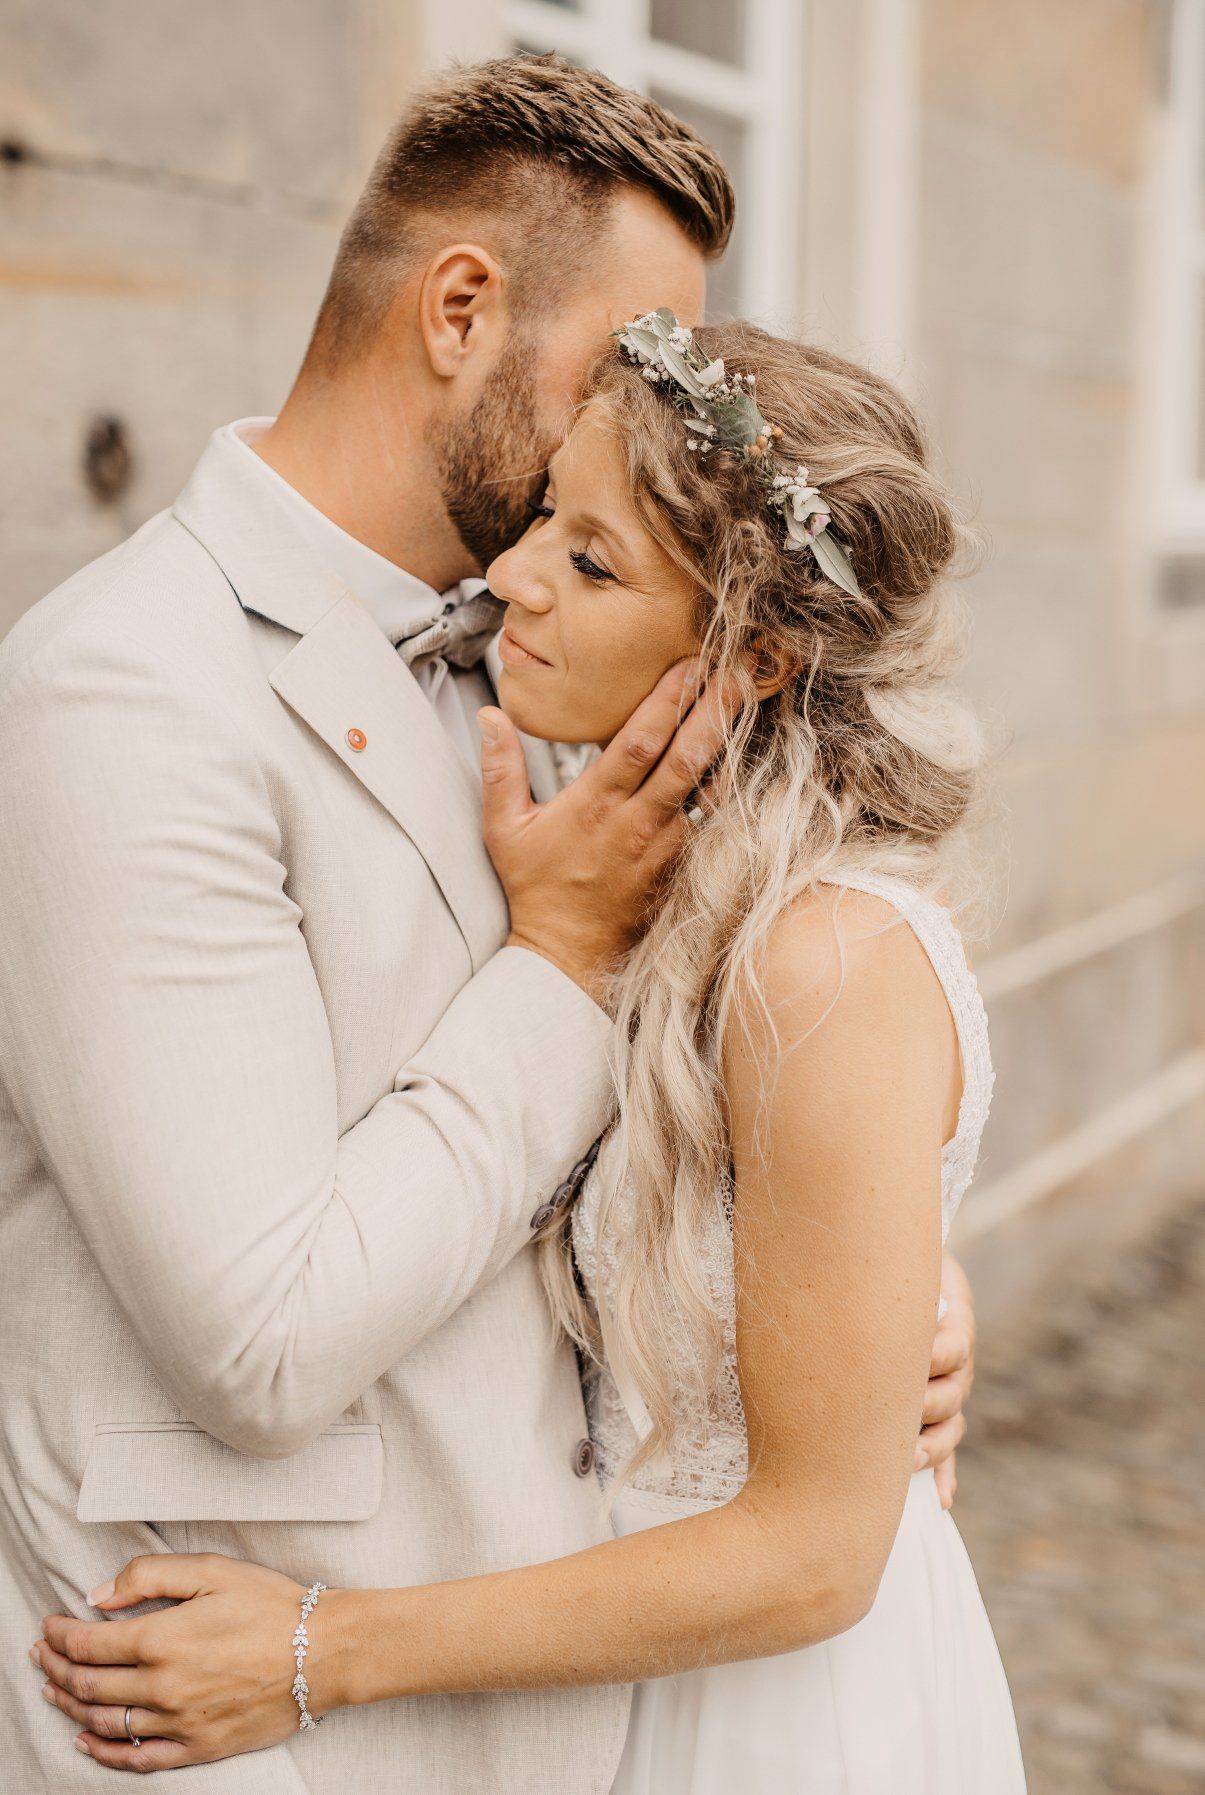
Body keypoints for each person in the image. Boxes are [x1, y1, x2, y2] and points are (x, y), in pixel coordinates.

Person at [31, 315, 1023, 1792]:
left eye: (592, 560)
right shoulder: (640, 871)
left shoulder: (818, 957)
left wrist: (318, 1649)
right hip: (626, 1686)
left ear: (746, 659)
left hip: (776, 1717)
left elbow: (817, 1558)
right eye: (547, 516)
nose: (511, 576)